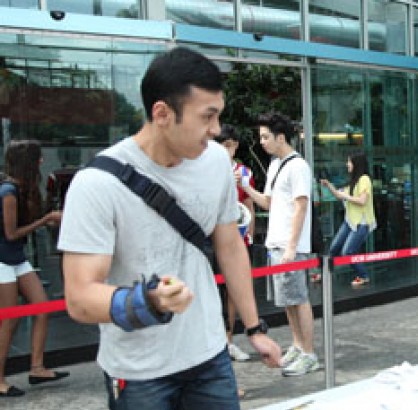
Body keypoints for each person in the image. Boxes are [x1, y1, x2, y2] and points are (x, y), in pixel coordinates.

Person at [58, 47, 282, 410]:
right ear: (162, 113)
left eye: (218, 115)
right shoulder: (97, 184)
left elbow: (229, 246)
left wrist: (254, 328)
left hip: (210, 357)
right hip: (139, 370)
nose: (215, 130)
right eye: (207, 117)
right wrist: (148, 301)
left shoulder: (214, 163)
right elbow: (80, 298)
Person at [241, 111, 319, 377]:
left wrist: (291, 247)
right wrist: (245, 188)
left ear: (281, 137)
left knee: (299, 298)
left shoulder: (298, 166)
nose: (262, 141)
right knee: (288, 300)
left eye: (265, 137)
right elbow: (269, 203)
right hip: (277, 243)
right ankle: (298, 345)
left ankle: (309, 353)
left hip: (290, 247)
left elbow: (301, 207)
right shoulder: (275, 165)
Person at [0, 140, 68, 398]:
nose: (41, 161)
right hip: (4, 260)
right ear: (27, 162)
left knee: (41, 306)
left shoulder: (19, 189)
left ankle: (37, 368)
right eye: (37, 158)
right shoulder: (8, 192)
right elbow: (12, 233)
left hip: (15, 258)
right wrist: (46, 220)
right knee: (10, 318)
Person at [214, 124, 255, 365]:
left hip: (237, 239)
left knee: (233, 290)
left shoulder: (243, 172)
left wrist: (249, 234)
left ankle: (229, 339)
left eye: (230, 145)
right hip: (214, 240)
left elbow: (248, 204)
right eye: (222, 146)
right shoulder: (207, 170)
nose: (227, 150)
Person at [319, 150, 377, 287]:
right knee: (334, 248)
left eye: (349, 162)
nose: (347, 164)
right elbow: (340, 195)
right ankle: (325, 274)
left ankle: (363, 275)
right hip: (350, 221)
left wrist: (345, 196)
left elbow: (362, 201)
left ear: (356, 163)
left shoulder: (364, 179)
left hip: (362, 223)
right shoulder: (354, 181)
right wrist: (329, 186)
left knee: (348, 251)